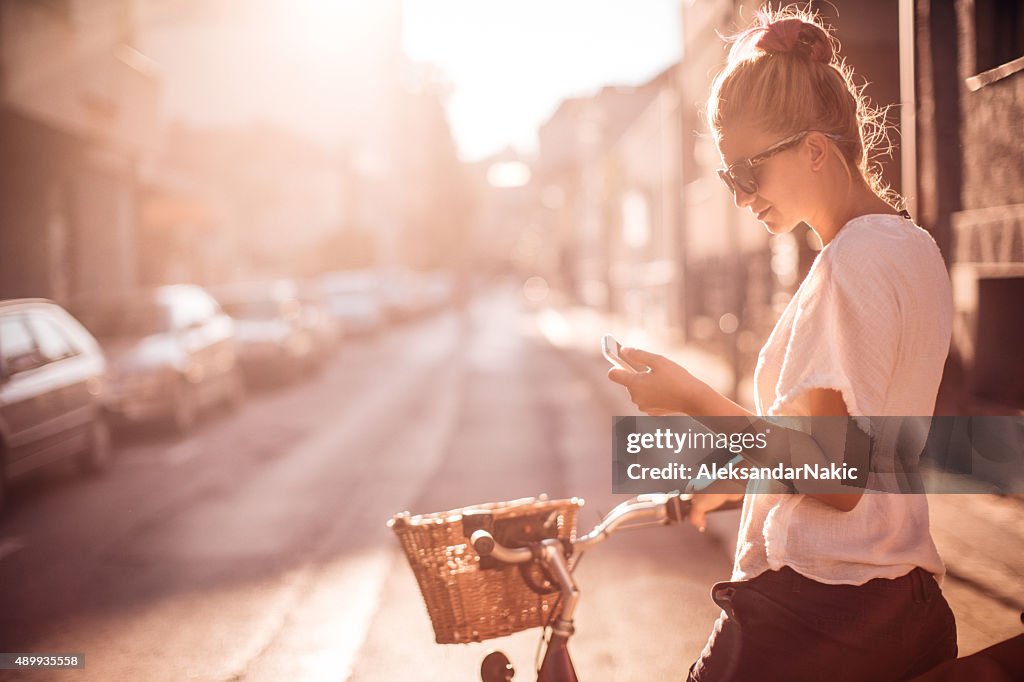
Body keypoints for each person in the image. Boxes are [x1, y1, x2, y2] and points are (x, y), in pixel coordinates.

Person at [607, 7, 958, 681]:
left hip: (816, 616)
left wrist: (689, 395)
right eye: (725, 177)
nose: (738, 197)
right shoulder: (914, 248)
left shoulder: (848, 266)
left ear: (815, 151)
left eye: (746, 173)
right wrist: (725, 483)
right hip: (908, 608)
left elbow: (834, 477)